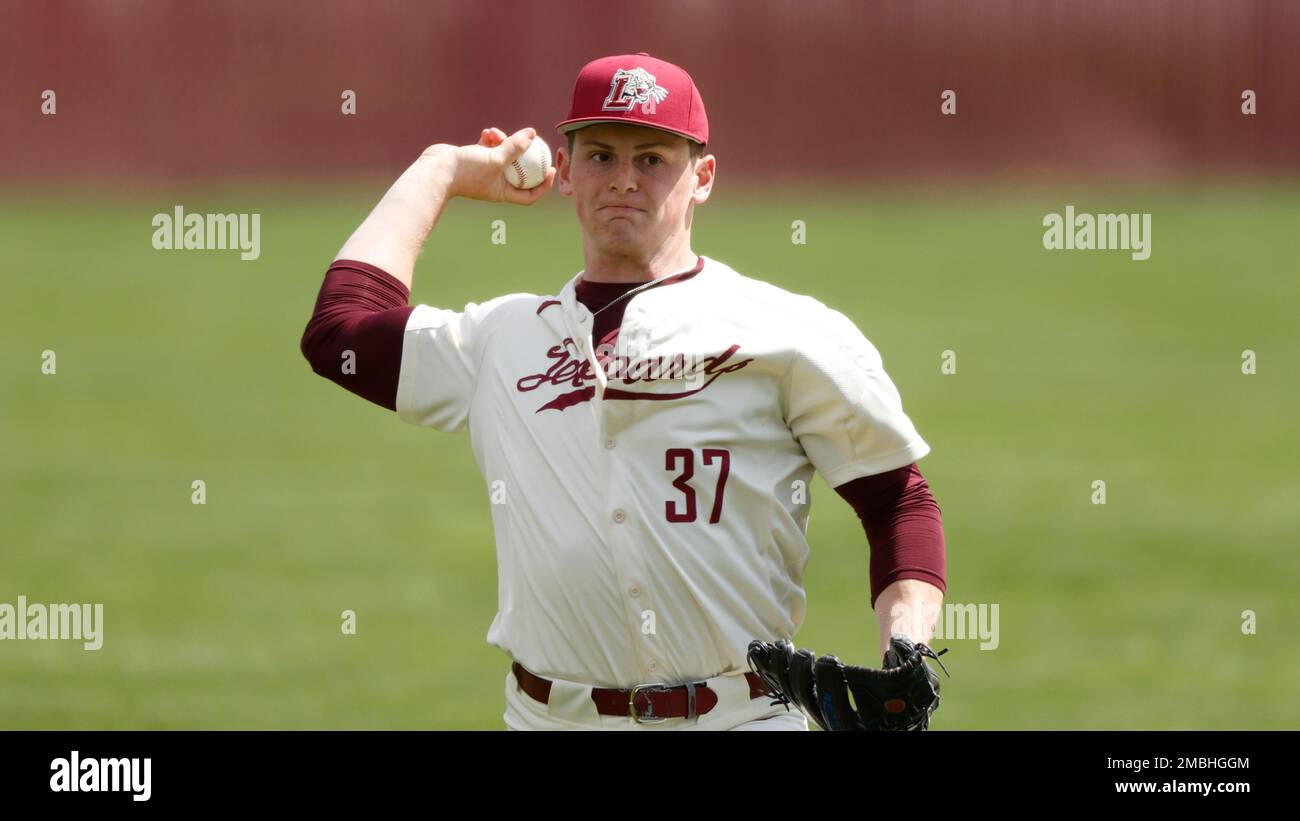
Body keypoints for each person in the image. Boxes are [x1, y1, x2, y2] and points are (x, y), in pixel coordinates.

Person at [300, 53, 946, 730]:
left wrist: (905, 645)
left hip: (742, 717)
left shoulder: (785, 331)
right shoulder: (499, 339)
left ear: (703, 176)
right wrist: (442, 168)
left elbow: (895, 497)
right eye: (602, 156)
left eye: (653, 158)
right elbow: (339, 332)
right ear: (565, 171)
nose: (624, 181)